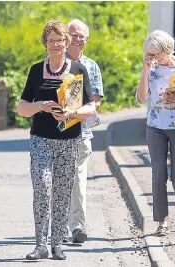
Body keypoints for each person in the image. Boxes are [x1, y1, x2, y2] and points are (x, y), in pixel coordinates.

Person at [17, 20, 95, 260]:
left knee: (61, 192)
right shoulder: (35, 70)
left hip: (69, 139)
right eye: (51, 41)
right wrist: (41, 106)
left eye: (60, 40)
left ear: (66, 42)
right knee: (42, 187)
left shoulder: (78, 70)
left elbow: (91, 106)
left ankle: (57, 244)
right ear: (45, 43)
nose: (55, 45)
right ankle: (40, 244)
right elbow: (21, 108)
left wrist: (72, 113)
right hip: (40, 138)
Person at [135, 30, 175, 236]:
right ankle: (162, 221)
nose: (154, 58)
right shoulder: (151, 69)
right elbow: (141, 99)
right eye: (150, 54)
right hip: (155, 127)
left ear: (169, 49)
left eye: (157, 53)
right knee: (158, 174)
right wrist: (145, 69)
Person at [65, 18, 104, 244]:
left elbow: (96, 103)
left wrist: (75, 112)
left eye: (83, 36)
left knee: (78, 180)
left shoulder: (92, 66)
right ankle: (58, 225)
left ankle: (78, 228)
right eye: (74, 34)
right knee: (58, 180)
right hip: (55, 132)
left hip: (82, 131)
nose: (78, 39)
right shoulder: (53, 63)